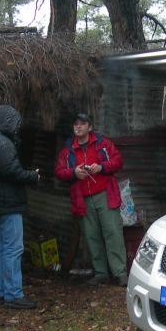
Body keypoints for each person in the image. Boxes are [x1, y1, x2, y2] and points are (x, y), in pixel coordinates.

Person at [0, 104, 40, 309]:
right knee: (13, 248)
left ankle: (2, 291)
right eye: (16, 123)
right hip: (8, 203)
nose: (18, 128)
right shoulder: (3, 144)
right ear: (9, 122)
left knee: (2, 247)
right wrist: (33, 176)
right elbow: (11, 171)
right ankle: (13, 294)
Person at [54, 113, 128, 286]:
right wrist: (73, 172)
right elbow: (59, 171)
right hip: (83, 198)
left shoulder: (102, 143)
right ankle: (100, 273)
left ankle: (120, 273)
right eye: (75, 124)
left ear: (90, 127)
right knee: (91, 235)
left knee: (113, 232)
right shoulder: (68, 149)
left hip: (104, 194)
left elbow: (118, 161)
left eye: (82, 124)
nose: (78, 127)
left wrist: (101, 167)